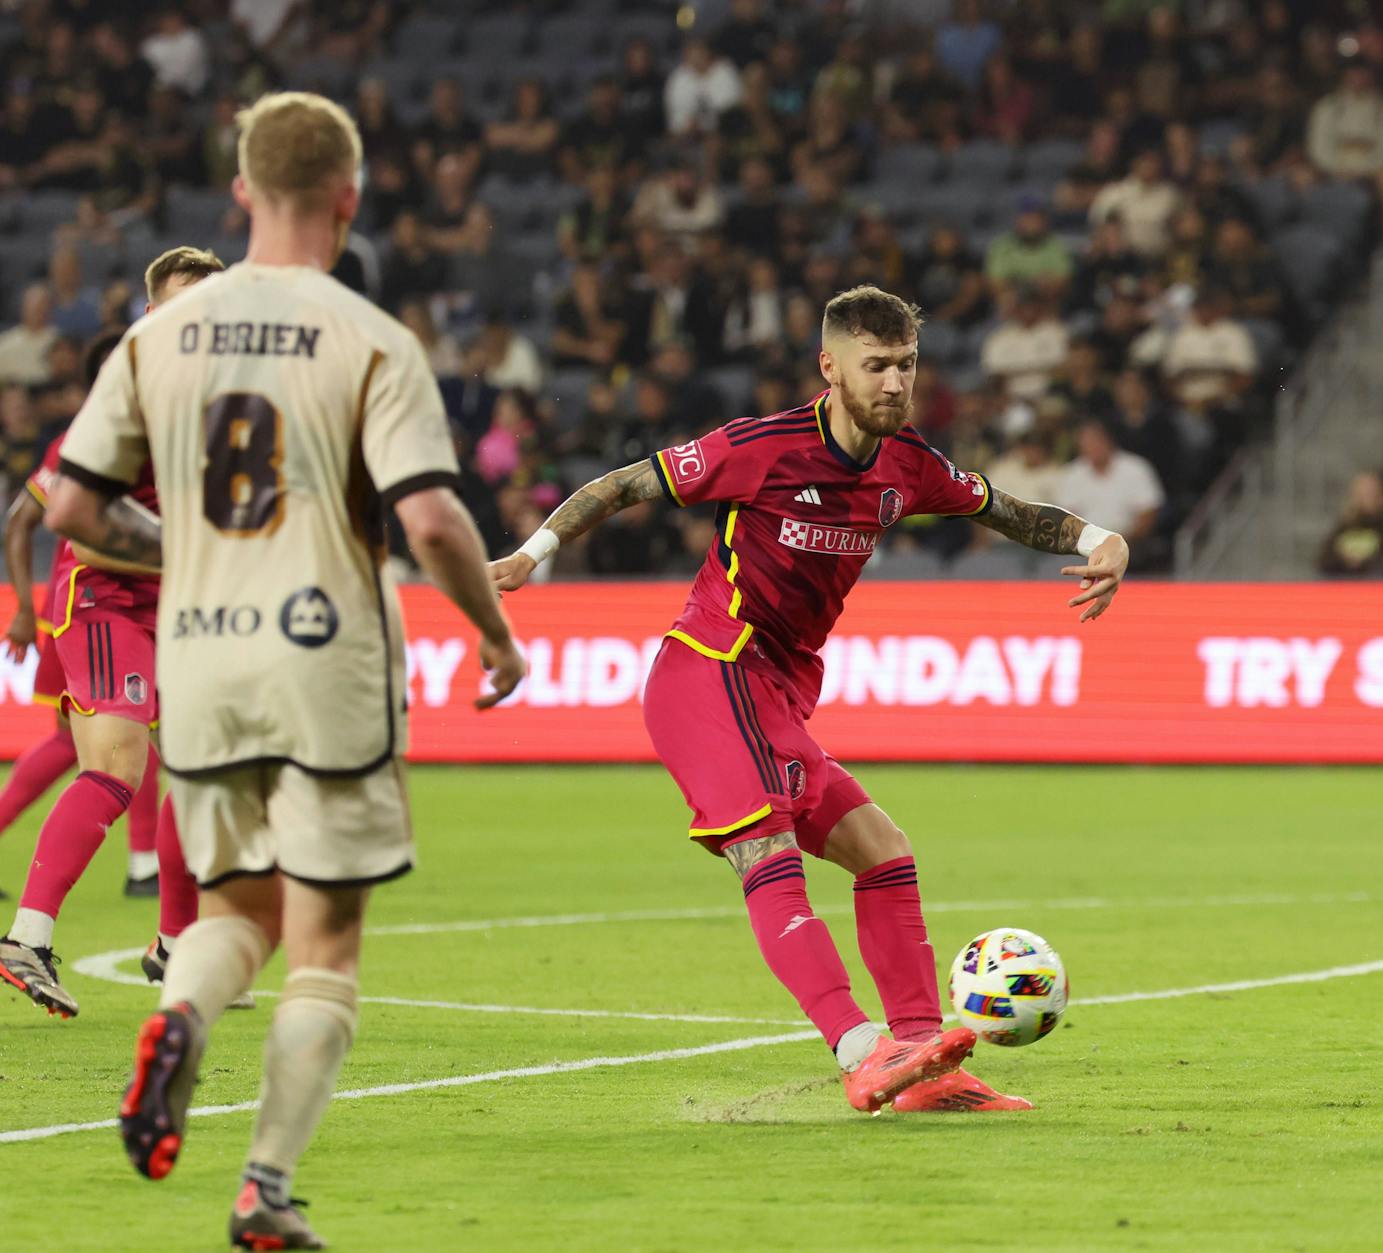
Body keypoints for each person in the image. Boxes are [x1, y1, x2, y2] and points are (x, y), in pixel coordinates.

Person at [46, 92, 524, 1249]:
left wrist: (191, 550)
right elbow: (431, 520)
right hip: (327, 653)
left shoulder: (156, 337)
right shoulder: (370, 337)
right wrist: (494, 634)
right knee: (325, 941)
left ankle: (180, 1013)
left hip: (200, 656)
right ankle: (264, 1184)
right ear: (348, 198)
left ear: (241, 193)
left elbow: (70, 504)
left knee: (234, 908)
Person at [490, 285, 1129, 1114]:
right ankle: (861, 1050)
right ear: (830, 367)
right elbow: (623, 485)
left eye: (907, 365)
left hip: (777, 694)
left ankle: (923, 1065)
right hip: (710, 670)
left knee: (884, 851)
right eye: (877, 365)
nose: (896, 382)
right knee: (768, 850)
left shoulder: (907, 464)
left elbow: (1004, 510)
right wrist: (532, 553)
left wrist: (1098, 537)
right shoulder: (762, 447)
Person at [0, 246, 225, 1010]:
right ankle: (26, 938)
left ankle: (176, 947)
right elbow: (75, 528)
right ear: (153, 316)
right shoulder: (127, 398)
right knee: (116, 765)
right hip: (104, 598)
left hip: (174, 606)